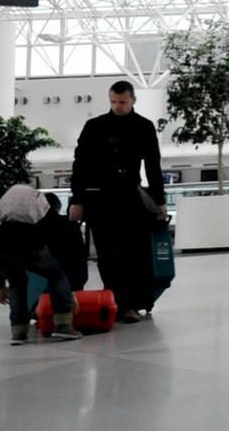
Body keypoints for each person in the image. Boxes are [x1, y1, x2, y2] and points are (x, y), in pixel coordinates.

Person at [68, 80, 166, 323]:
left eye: (122, 102)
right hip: (100, 198)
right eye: (113, 102)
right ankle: (117, 301)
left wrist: (159, 200)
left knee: (136, 252)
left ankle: (133, 303)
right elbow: (80, 165)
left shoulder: (143, 127)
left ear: (133, 100)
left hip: (130, 197)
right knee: (107, 254)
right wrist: (77, 200)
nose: (118, 106)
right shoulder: (95, 126)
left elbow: (153, 166)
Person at [0, 184, 82, 344]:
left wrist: (0, 286)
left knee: (17, 281)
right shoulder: (39, 203)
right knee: (56, 275)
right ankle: (63, 325)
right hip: (27, 245)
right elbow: (53, 225)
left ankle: (19, 331)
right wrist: (71, 293)